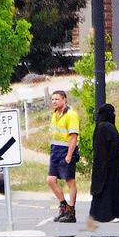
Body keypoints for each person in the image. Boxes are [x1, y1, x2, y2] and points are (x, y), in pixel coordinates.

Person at [89, 103, 119, 225]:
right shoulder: (107, 126)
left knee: (102, 190)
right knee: (112, 190)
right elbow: (117, 142)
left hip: (101, 165)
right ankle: (111, 214)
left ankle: (98, 214)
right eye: (113, 113)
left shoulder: (99, 126)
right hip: (110, 166)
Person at [48, 90, 80, 223]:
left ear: (64, 100)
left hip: (66, 150)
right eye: (52, 99)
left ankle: (71, 211)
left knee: (70, 181)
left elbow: (73, 137)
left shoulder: (71, 115)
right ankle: (63, 206)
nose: (54, 101)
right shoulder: (55, 114)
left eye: (57, 99)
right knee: (50, 180)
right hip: (55, 150)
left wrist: (69, 155)